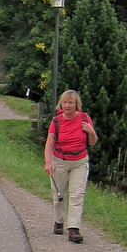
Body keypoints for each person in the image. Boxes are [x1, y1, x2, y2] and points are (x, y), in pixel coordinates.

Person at [44, 89, 97, 243]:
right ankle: (59, 221)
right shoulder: (56, 122)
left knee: (77, 195)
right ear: (61, 104)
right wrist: (48, 163)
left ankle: (73, 228)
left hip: (80, 161)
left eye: (71, 103)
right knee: (59, 195)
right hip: (59, 161)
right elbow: (49, 145)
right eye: (65, 102)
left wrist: (91, 132)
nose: (67, 106)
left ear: (76, 105)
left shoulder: (84, 119)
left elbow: (92, 142)